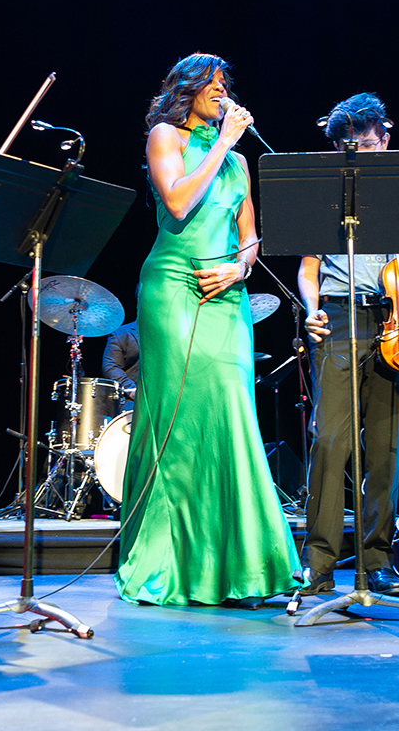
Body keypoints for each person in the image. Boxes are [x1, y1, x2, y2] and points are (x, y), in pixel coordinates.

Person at [115, 53, 300, 606]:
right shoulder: (164, 136)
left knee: (230, 409)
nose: (222, 94)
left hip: (227, 294)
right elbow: (176, 202)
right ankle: (169, 560)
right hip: (173, 287)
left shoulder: (241, 165)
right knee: (179, 415)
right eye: (213, 86)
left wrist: (240, 266)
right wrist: (222, 142)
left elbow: (250, 237)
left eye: (226, 87)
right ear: (189, 90)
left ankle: (238, 563)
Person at [297, 93, 399, 598]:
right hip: (340, 314)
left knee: (385, 446)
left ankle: (377, 558)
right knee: (331, 442)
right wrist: (311, 306)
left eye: (366, 145)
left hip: (393, 319)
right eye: (349, 147)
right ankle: (319, 561)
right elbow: (307, 269)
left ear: (384, 141)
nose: (358, 155)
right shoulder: (325, 198)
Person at [101, 319, 139, 409]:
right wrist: (130, 388)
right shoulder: (121, 333)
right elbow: (111, 366)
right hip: (132, 398)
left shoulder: (173, 332)